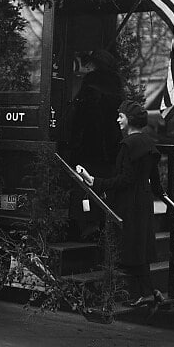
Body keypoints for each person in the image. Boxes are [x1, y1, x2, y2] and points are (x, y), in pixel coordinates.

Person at [77, 100, 166, 313]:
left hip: (129, 202)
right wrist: (162, 194)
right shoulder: (148, 143)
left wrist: (95, 181)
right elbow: (155, 178)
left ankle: (142, 293)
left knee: (129, 247)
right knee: (139, 248)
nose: (117, 119)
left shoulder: (128, 145)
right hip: (144, 201)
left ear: (130, 120)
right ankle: (149, 292)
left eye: (121, 116)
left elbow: (125, 179)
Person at [66, 50, 124, 240]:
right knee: (103, 186)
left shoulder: (91, 83)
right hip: (111, 146)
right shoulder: (117, 84)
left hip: (90, 145)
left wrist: (73, 144)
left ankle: (86, 227)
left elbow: (79, 117)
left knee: (84, 187)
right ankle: (102, 226)